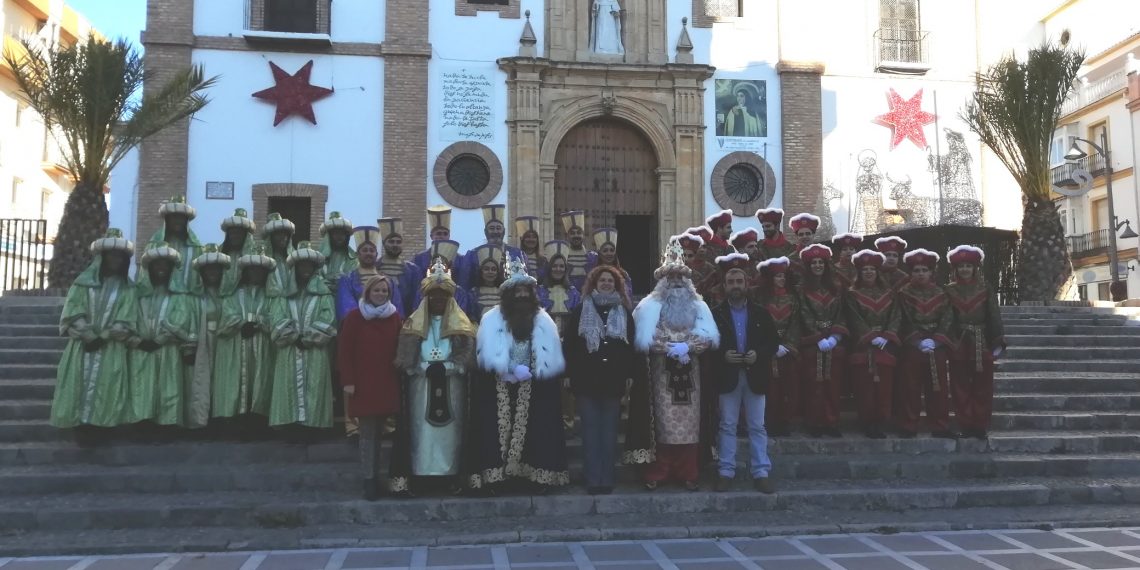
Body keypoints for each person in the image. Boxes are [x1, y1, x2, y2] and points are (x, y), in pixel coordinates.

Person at [469, 254, 569, 494]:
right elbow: (485, 354)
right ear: (507, 294)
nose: (522, 295)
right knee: (494, 434)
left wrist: (532, 371)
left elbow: (552, 356)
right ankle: (496, 479)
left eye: (526, 290)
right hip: (498, 385)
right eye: (517, 291)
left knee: (538, 433)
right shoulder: (491, 319)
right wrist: (506, 371)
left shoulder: (544, 320)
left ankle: (536, 477)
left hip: (535, 388)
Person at [633, 240, 719, 491]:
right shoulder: (648, 306)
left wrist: (687, 347)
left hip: (692, 376)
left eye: (681, 277)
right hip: (661, 376)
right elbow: (645, 337)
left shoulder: (699, 305)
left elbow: (707, 336)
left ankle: (688, 472)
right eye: (671, 277)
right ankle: (659, 471)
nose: (677, 282)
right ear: (663, 280)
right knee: (662, 425)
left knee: (690, 427)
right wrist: (670, 346)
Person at [390, 259, 477, 496]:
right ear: (426, 298)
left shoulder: (462, 326)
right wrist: (423, 368)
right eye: (434, 296)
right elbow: (406, 361)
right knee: (423, 432)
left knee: (450, 433)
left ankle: (450, 476)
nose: (438, 300)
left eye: (442, 296)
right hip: (421, 388)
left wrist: (449, 368)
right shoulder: (412, 325)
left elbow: (466, 359)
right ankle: (421, 476)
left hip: (452, 386)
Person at [51, 229, 138, 434]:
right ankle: (79, 425)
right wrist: (88, 335)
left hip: (111, 347)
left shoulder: (128, 289)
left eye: (119, 256)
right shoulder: (83, 283)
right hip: (82, 345)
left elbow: (127, 316)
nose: (115, 259)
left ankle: (101, 427)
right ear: (102, 257)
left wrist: (106, 336)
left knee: (108, 386)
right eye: (111, 255)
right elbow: (74, 309)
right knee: (77, 384)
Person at [562, 266, 637, 494]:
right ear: (594, 284)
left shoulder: (624, 312)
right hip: (586, 380)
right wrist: (568, 374)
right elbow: (570, 346)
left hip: (613, 381)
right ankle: (593, 479)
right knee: (591, 431)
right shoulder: (580, 310)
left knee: (609, 432)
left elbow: (630, 347)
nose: (606, 284)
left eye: (610, 281)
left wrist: (630, 375)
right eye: (602, 280)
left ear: (616, 285)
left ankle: (607, 478)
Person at [709, 254, 778, 493]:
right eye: (731, 282)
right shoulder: (715, 314)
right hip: (728, 376)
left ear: (746, 285)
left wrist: (758, 354)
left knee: (757, 426)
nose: (736, 286)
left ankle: (761, 472)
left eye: (739, 281)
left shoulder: (761, 313)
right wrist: (722, 356)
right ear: (724, 286)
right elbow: (708, 344)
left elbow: (772, 343)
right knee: (728, 424)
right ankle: (726, 471)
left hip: (755, 375)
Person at [337, 274, 402, 500]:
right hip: (363, 384)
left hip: (386, 383)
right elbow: (345, 352)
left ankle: (382, 478)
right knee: (367, 435)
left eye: (385, 291)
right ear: (368, 292)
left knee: (383, 435)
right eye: (377, 290)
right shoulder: (355, 317)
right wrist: (348, 382)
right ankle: (369, 480)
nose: (381, 294)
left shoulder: (395, 318)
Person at [268, 242, 337, 431]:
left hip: (315, 350)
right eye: (302, 265)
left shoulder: (324, 294)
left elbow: (328, 319)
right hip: (289, 349)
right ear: (296, 268)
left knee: (315, 387)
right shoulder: (284, 295)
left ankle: (313, 426)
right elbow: (277, 318)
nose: (305, 269)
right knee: (288, 386)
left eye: (309, 265)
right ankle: (289, 425)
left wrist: (308, 338)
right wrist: (293, 337)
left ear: (314, 268)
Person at [130, 242, 197, 428]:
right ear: (150, 268)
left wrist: (160, 340)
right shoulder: (138, 295)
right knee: (142, 387)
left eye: (165, 265)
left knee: (168, 388)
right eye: (157, 264)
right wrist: (137, 341)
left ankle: (167, 425)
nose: (161, 268)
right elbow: (129, 317)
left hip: (168, 350)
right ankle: (142, 424)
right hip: (141, 350)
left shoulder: (179, 296)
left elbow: (180, 319)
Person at [945, 245, 1005, 441]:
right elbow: (947, 318)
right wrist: (949, 340)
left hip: (981, 340)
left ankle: (980, 425)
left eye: (968, 266)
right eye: (961, 266)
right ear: (955, 269)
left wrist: (997, 341)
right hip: (959, 341)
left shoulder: (985, 287)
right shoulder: (948, 290)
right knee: (959, 385)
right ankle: (965, 424)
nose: (964, 269)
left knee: (983, 385)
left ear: (975, 268)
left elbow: (993, 314)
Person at [213, 243, 276, 421]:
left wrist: (258, 323)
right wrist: (241, 324)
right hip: (236, 344)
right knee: (237, 381)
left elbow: (275, 317)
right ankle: (236, 420)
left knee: (260, 381)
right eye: (252, 270)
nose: (256, 273)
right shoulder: (234, 294)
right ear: (246, 272)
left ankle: (258, 420)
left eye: (260, 270)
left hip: (262, 345)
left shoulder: (271, 296)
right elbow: (225, 317)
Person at [897, 249, 956, 439]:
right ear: (910, 273)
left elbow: (948, 318)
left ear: (931, 272)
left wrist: (937, 339)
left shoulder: (942, 293)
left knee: (938, 387)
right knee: (910, 386)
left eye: (924, 270)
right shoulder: (903, 294)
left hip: (936, 346)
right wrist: (916, 340)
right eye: (916, 270)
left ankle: (940, 425)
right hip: (912, 347)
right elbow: (902, 319)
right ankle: (908, 425)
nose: (920, 273)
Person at [844, 250, 900, 439]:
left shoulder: (889, 293)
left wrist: (886, 336)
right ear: (859, 272)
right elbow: (853, 318)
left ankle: (880, 421)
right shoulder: (852, 294)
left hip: (885, 346)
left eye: (872, 269)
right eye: (864, 269)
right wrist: (869, 336)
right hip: (863, 347)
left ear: (878, 271)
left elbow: (896, 316)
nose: (868, 272)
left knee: (884, 387)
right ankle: (867, 422)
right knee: (865, 387)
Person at [796, 244, 848, 438]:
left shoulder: (837, 288)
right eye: (814, 263)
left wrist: (835, 336)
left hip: (833, 343)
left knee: (833, 385)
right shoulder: (801, 288)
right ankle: (814, 422)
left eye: (821, 262)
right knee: (813, 385)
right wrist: (816, 336)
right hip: (812, 343)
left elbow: (842, 313)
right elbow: (802, 313)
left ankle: (832, 421)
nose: (817, 265)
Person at [538, 240, 582, 433]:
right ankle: (547, 425)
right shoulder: (538, 291)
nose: (558, 269)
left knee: (566, 387)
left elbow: (579, 319)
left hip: (567, 345)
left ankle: (568, 425)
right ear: (549, 268)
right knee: (546, 386)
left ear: (566, 269)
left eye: (561, 266)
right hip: (545, 345)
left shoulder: (573, 293)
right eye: (555, 266)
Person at [186, 244, 231, 429]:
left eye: (216, 269)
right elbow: (189, 322)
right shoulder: (194, 298)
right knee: (201, 381)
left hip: (224, 344)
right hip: (202, 344)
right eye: (208, 269)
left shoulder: (228, 296)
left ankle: (220, 420)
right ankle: (200, 420)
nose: (212, 273)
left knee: (223, 381)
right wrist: (189, 347)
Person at [755, 257, 800, 437]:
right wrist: (772, 345)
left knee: (787, 387)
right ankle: (769, 420)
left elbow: (795, 323)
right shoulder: (760, 299)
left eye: (783, 276)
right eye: (777, 276)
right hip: (767, 351)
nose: (781, 279)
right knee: (769, 388)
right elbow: (758, 323)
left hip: (787, 350)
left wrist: (787, 344)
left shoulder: (792, 298)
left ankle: (784, 420)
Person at [458, 204, 524, 290]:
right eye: (492, 228)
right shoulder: (473, 255)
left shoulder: (517, 254)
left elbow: (523, 281)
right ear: (485, 232)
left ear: (503, 231)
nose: (495, 231)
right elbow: (464, 282)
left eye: (498, 228)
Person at [148, 195, 202, 295]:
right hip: (159, 296)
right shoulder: (154, 244)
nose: (178, 221)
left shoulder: (196, 247)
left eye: (181, 218)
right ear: (167, 220)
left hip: (187, 298)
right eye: (174, 217)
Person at [376, 217, 420, 315]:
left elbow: (416, 300)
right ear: (384, 243)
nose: (395, 245)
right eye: (391, 242)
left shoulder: (413, 270)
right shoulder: (375, 267)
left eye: (398, 242)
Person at [219, 208, 256, 296]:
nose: (234, 236)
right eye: (232, 233)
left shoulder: (254, 255)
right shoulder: (220, 253)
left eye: (238, 233)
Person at [465, 245, 505, 323]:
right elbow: (470, 316)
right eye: (486, 269)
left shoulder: (504, 292)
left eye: (493, 269)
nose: (490, 272)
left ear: (498, 272)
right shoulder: (473, 293)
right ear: (481, 272)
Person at [318, 212, 357, 292]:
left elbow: (354, 277)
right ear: (329, 236)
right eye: (336, 233)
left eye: (342, 234)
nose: (340, 236)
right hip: (323, 296)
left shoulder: (353, 258)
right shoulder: (318, 257)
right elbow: (315, 277)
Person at [412, 206, 455, 276]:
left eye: (445, 234)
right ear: (431, 236)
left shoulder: (458, 258)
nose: (442, 236)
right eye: (438, 233)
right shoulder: (419, 258)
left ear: (449, 236)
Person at [560, 210, 597, 290]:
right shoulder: (562, 257)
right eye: (572, 233)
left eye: (579, 233)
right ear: (567, 236)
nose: (576, 235)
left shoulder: (592, 257)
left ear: (583, 235)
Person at [592, 228, 634, 298]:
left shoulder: (623, 274)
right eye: (605, 251)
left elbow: (628, 297)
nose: (609, 253)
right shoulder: (593, 275)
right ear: (599, 254)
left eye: (612, 250)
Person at [262, 213, 296, 298]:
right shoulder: (263, 258)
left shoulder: (294, 258)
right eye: (278, 234)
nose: (283, 237)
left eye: (285, 234)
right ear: (270, 237)